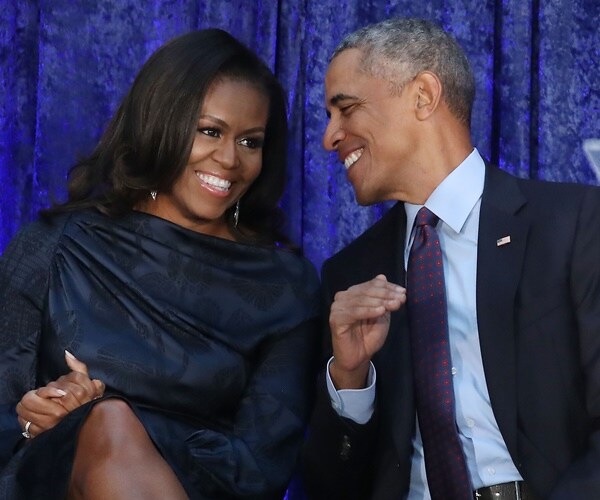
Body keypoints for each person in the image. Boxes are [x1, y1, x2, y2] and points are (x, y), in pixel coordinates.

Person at [0, 29, 320, 499]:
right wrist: (37, 419)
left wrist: (122, 421)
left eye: (250, 142)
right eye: (210, 131)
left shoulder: (285, 286)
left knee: (112, 419)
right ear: (160, 124)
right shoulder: (55, 245)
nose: (230, 159)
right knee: (109, 423)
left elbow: (261, 468)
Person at [302, 17, 600, 500]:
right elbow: (330, 485)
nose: (329, 137)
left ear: (423, 95)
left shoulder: (575, 224)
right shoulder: (350, 274)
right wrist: (350, 379)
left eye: (347, 109)